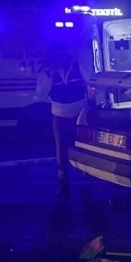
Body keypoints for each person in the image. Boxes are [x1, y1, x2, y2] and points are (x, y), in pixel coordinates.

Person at [36, 43, 88, 200]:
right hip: (68, 110)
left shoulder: (73, 64)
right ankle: (71, 177)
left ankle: (69, 177)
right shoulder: (53, 69)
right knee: (73, 144)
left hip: (70, 110)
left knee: (64, 145)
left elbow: (41, 92)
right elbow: (41, 92)